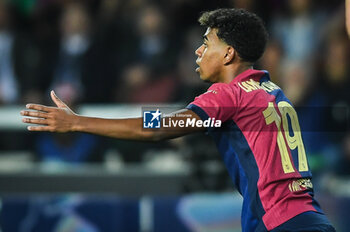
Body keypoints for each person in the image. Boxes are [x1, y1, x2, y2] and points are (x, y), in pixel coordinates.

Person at [21, 8, 336, 232]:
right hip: (313, 219)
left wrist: (77, 122)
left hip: (278, 223)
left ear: (228, 54)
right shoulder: (272, 91)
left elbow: (156, 128)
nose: (198, 51)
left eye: (207, 42)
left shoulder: (227, 95)